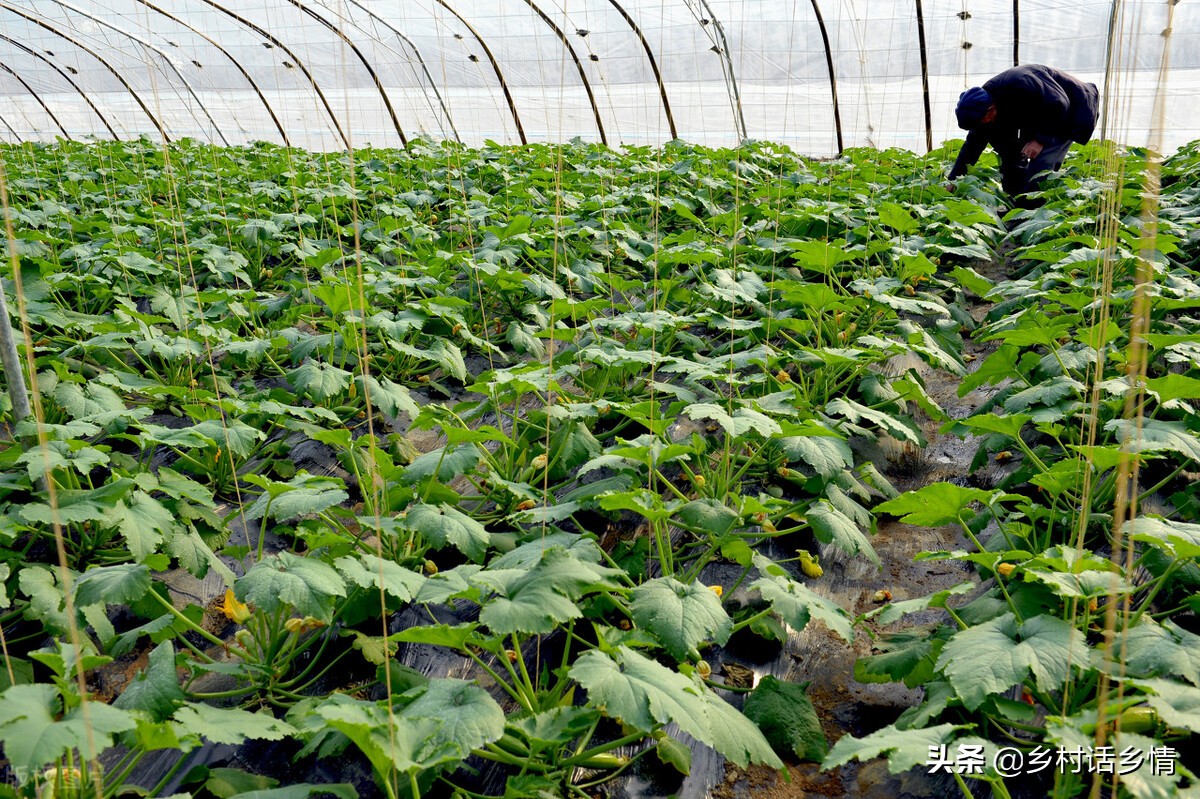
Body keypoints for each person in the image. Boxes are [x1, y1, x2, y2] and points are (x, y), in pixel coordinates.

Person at [944, 64, 1099, 202]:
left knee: (1042, 163)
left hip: (1069, 110)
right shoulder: (983, 106)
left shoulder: (1020, 83)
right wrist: (953, 180)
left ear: (990, 110)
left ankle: (1031, 213)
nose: (981, 126)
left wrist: (1040, 140)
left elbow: (1059, 103)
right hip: (1037, 113)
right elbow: (972, 146)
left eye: (981, 122)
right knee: (1011, 157)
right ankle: (1014, 205)